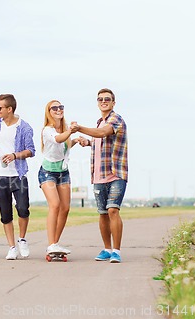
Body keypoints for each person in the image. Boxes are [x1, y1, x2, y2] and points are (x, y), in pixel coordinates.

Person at [70, 88, 128, 263]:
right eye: (100, 99)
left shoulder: (115, 119)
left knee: (112, 209)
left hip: (115, 172)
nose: (104, 101)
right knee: (102, 213)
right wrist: (86, 142)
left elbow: (103, 133)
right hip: (98, 175)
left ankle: (116, 251)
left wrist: (80, 128)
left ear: (113, 102)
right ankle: (107, 249)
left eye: (107, 99)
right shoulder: (98, 122)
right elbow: (99, 140)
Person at [0, 94, 35, 260]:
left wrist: (15, 155)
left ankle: (22, 239)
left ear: (9, 109)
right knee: (5, 214)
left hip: (18, 174)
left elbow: (31, 150)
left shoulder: (24, 127)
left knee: (23, 209)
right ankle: (11, 247)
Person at [39, 100, 80, 256]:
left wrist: (75, 140)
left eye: (61, 107)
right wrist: (71, 131)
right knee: (55, 205)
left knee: (65, 208)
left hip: (63, 172)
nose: (58, 110)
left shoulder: (63, 129)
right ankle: (51, 244)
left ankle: (54, 243)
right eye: (54, 108)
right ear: (48, 111)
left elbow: (63, 146)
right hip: (47, 172)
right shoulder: (47, 130)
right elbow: (58, 139)